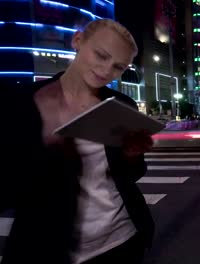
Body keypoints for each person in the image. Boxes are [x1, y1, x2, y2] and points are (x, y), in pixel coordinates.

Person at [0, 19, 154, 264]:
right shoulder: (25, 102)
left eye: (118, 67)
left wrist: (131, 156)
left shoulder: (122, 105)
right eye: (101, 55)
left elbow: (129, 176)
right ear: (77, 41)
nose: (106, 71)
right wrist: (50, 150)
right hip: (47, 249)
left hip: (123, 240)